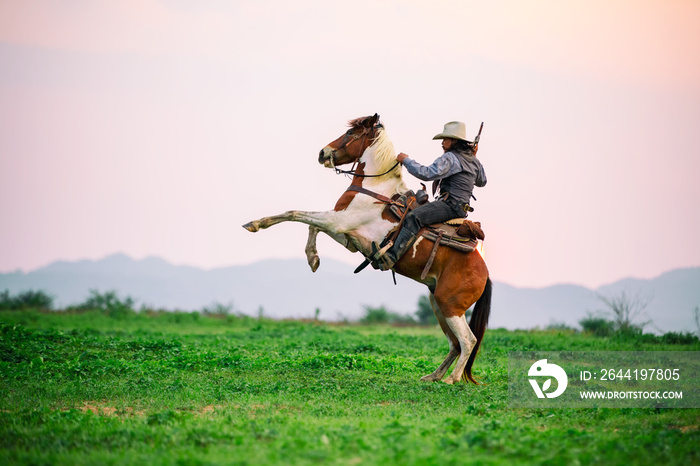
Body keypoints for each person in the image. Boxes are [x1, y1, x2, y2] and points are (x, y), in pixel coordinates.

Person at [373, 121, 487, 271]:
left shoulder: (451, 158)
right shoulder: (475, 162)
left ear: (455, 141)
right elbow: (482, 181)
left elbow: (426, 174)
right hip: (460, 209)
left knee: (414, 216)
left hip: (449, 206)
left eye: (446, 139)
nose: (442, 142)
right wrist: (473, 157)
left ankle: (391, 257)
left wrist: (406, 160)